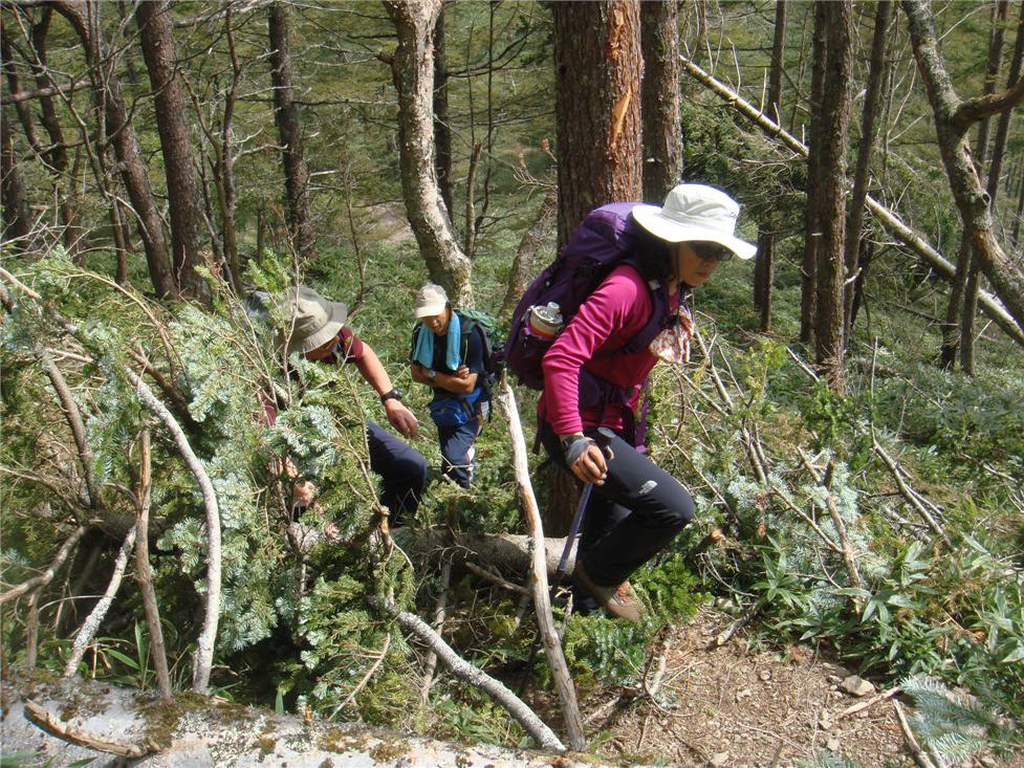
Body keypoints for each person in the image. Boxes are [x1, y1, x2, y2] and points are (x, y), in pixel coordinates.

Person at [540, 183, 756, 621]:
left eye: (722, 253)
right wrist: (573, 440)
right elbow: (561, 357)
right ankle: (594, 576)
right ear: (671, 239)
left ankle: (582, 627)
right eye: (703, 247)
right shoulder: (626, 290)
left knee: (613, 523)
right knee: (673, 508)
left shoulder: (670, 285)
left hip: (611, 422)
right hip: (580, 427)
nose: (712, 261)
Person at [276, 284, 427, 525]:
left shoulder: (333, 337)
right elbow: (265, 434)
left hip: (337, 420)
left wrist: (390, 399)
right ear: (299, 349)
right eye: (323, 342)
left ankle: (393, 535)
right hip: (295, 438)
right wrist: (293, 479)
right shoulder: (272, 372)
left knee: (409, 467)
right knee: (309, 505)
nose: (335, 341)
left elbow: (364, 352)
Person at [409, 283, 489, 488]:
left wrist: (433, 374)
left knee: (455, 457)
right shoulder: (421, 335)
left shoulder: (469, 334)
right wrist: (451, 379)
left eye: (436, 315)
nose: (433, 322)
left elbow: (468, 386)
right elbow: (415, 374)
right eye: (426, 317)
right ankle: (451, 504)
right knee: (447, 458)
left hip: (473, 404)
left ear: (448, 308)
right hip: (445, 404)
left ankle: (468, 497)